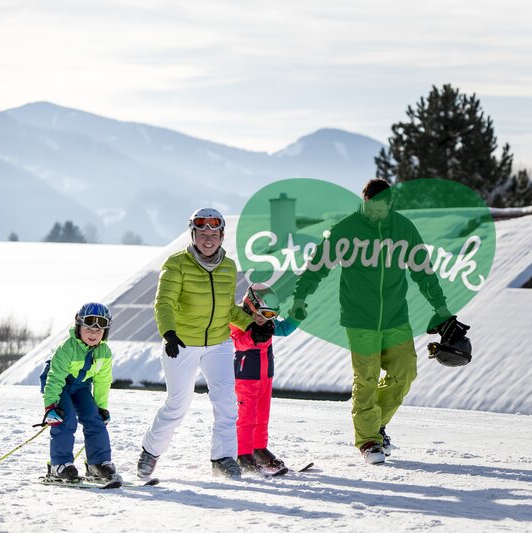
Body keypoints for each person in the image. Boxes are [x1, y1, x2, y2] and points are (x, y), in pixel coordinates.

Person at [289, 178, 466, 464]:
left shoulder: (404, 229)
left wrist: (441, 308)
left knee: (405, 372)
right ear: (365, 202)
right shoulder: (345, 231)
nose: (376, 212)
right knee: (367, 378)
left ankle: (376, 425)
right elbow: (316, 266)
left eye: (382, 207)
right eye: (371, 206)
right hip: (360, 319)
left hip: (396, 317)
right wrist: (300, 298)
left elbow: (424, 273)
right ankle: (369, 441)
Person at [137, 207, 271, 480]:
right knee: (178, 403)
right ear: (193, 234)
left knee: (226, 402)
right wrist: (169, 332)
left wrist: (251, 324)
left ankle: (223, 458)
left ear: (222, 236)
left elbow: (227, 309)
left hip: (219, 344)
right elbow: (164, 302)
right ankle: (150, 452)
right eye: (201, 233)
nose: (207, 238)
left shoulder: (228, 266)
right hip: (182, 343)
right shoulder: (176, 264)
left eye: (213, 233)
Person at [40, 302, 118, 483]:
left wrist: (101, 408)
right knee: (65, 418)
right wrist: (50, 406)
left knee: (95, 419)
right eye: (89, 329)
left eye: (99, 331)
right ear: (78, 328)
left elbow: (103, 381)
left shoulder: (104, 352)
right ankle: (60, 465)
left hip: (81, 387)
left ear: (104, 333)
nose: (93, 334)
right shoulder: (67, 348)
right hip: (60, 386)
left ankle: (97, 464)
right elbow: (55, 377)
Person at [229, 283, 299, 475]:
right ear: (250, 307)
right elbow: (238, 342)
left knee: (262, 414)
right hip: (246, 375)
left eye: (269, 317)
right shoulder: (237, 320)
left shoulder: (267, 322)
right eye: (262, 315)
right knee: (247, 416)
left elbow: (283, 329)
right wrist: (254, 337)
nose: (265, 321)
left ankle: (259, 449)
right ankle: (243, 454)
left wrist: (296, 317)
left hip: (265, 374)